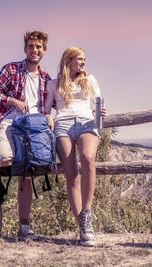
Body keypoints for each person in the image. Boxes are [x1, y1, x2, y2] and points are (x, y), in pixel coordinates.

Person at [0, 31, 51, 241]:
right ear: (25, 49)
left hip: (33, 130)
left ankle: (23, 226)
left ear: (44, 50)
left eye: (39, 47)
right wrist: (12, 101)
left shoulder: (46, 78)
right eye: (31, 46)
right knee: (3, 158)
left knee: (27, 176)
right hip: (9, 123)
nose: (35, 50)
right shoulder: (11, 69)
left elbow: (60, 101)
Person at [44, 46, 106, 247]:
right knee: (72, 176)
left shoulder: (90, 80)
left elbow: (98, 105)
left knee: (88, 159)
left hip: (87, 123)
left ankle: (87, 213)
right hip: (63, 125)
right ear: (68, 61)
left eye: (84, 59)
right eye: (79, 59)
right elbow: (47, 110)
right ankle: (84, 228)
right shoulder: (53, 84)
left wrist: (100, 116)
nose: (83, 63)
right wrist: (47, 118)